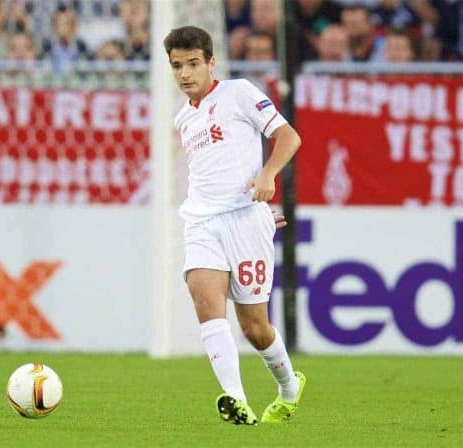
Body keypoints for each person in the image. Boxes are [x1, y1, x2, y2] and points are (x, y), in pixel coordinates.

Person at [163, 26, 305, 425]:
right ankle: (236, 399)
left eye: (193, 63)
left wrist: (267, 177)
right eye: (177, 66)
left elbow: (289, 137)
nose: (185, 73)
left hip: (246, 222)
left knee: (255, 327)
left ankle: (289, 388)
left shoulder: (239, 92)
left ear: (211, 63)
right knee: (205, 301)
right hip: (202, 222)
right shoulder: (182, 119)